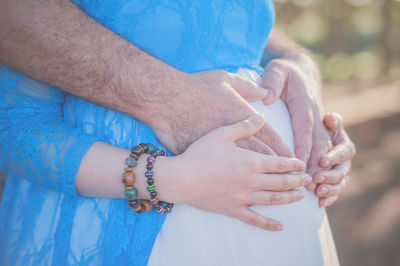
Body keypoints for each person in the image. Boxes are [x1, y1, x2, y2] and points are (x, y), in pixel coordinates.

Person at [0, 0, 356, 265]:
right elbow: (15, 125)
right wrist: (168, 178)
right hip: (135, 235)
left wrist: (301, 67)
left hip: (282, 240)